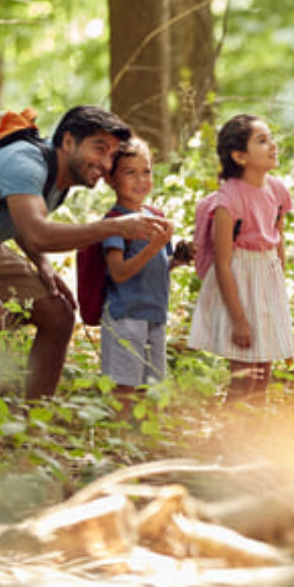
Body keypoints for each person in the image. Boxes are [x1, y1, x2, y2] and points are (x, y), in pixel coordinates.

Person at [0, 105, 172, 410]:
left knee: (59, 314)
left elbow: (20, 221)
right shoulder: (26, 164)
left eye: (112, 156)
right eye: (99, 149)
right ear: (67, 141)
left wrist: (43, 265)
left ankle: (33, 423)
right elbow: (37, 231)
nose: (105, 164)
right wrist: (114, 227)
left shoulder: (60, 180)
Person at [188, 114, 294, 403]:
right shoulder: (228, 201)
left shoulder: (277, 190)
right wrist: (238, 320)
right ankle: (228, 439)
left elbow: (278, 239)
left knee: (263, 373)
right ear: (239, 156)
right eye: (262, 141)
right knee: (244, 376)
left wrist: (278, 291)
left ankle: (253, 439)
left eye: (271, 138)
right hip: (239, 283)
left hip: (267, 279)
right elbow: (223, 264)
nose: (272, 145)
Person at [99, 137, 191, 395]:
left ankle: (144, 435)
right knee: (125, 385)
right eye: (130, 172)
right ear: (112, 179)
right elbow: (118, 273)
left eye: (146, 171)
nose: (140, 180)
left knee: (151, 387)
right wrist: (153, 247)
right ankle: (120, 432)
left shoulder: (155, 218)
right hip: (125, 315)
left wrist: (177, 260)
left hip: (155, 315)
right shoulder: (115, 222)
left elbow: (157, 266)